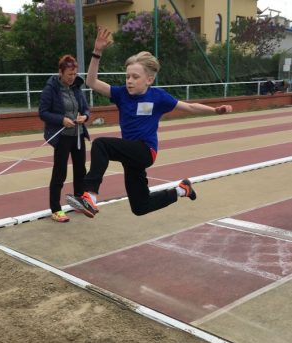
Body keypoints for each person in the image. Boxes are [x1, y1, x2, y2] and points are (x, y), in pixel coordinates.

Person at [66, 28, 233, 218]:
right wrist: (97, 53)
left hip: (145, 151)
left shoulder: (158, 97)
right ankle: (182, 190)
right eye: (127, 76)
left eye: (135, 77)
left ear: (149, 79)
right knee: (140, 206)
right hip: (131, 154)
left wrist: (214, 110)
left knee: (101, 144)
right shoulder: (121, 94)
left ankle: (91, 197)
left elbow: (190, 107)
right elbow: (92, 82)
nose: (129, 81)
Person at [39, 55, 90, 222]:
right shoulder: (51, 88)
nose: (73, 77)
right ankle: (55, 208)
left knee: (80, 170)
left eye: (75, 74)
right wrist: (61, 120)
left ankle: (78, 201)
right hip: (62, 136)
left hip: (78, 134)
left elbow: (85, 108)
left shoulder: (76, 86)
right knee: (60, 172)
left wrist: (85, 117)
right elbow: (43, 112)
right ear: (60, 72)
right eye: (69, 74)